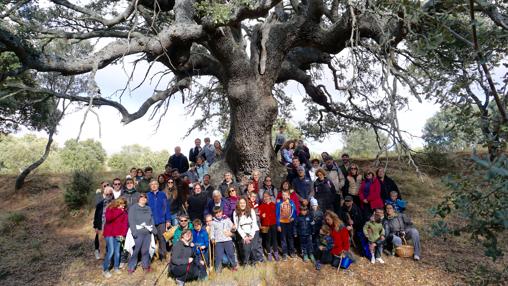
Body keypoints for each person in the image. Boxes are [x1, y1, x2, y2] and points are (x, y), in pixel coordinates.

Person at [128, 193, 157, 273]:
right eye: (141, 197)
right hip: (138, 232)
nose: (143, 198)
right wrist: (134, 232)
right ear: (138, 198)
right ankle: (131, 267)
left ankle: (145, 266)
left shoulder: (148, 208)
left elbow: (151, 220)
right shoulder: (133, 208)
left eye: (145, 197)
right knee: (136, 251)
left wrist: (154, 229)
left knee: (145, 250)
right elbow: (131, 220)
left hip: (147, 233)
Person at [102, 198, 128, 278]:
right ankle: (105, 269)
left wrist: (123, 235)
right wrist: (119, 211)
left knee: (117, 252)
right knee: (111, 251)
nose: (123, 205)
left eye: (124, 204)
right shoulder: (110, 209)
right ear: (117, 203)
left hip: (119, 235)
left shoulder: (125, 213)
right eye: (121, 203)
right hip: (109, 234)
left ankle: (116, 267)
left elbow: (125, 225)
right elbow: (109, 219)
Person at [147, 180, 171, 260]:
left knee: (162, 239)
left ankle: (163, 256)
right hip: (151, 221)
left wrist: (168, 220)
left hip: (161, 221)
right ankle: (152, 256)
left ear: (158, 185)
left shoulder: (162, 194)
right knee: (152, 239)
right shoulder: (147, 195)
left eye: (155, 184)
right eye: (152, 184)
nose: (154, 186)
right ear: (150, 186)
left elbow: (166, 208)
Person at [233, 197, 261, 265]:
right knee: (246, 249)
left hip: (253, 230)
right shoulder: (235, 212)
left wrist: (251, 235)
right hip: (243, 231)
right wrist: (245, 236)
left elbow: (254, 223)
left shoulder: (251, 210)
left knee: (254, 248)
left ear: (246, 203)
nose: (242, 204)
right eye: (241, 203)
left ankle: (254, 262)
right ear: (238, 204)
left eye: (244, 203)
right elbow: (237, 226)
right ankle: (246, 263)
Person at [210, 206, 238, 272]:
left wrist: (233, 229)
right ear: (214, 214)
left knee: (231, 253)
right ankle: (218, 269)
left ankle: (233, 266)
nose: (218, 214)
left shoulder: (227, 219)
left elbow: (233, 228)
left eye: (219, 212)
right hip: (218, 241)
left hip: (227, 240)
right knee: (218, 255)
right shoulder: (213, 222)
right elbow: (212, 232)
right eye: (216, 213)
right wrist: (212, 238)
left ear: (222, 212)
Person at [93, 186, 114, 260]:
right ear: (104, 194)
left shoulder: (115, 204)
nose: (109, 196)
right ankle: (104, 260)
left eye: (110, 194)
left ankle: (111, 259)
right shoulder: (100, 204)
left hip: (112, 227)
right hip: (101, 226)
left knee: (111, 245)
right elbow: (96, 216)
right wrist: (95, 226)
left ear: (112, 194)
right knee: (102, 244)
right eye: (107, 194)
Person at [276, 190, 297, 260]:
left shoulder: (292, 203)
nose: (284, 196)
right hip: (282, 223)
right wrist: (278, 225)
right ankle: (284, 253)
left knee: (290, 237)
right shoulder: (279, 203)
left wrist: (293, 217)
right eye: (283, 195)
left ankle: (291, 251)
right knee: (283, 238)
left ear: (289, 196)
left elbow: (294, 212)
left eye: (286, 195)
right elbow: (277, 214)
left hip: (290, 223)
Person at [259, 191, 278, 261]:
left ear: (270, 197)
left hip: (273, 224)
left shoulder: (273, 205)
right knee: (268, 240)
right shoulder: (261, 206)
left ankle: (276, 252)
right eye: (264, 197)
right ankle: (269, 253)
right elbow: (260, 215)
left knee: (274, 239)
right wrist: (262, 216)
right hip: (266, 225)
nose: (266, 198)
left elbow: (277, 214)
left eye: (267, 196)